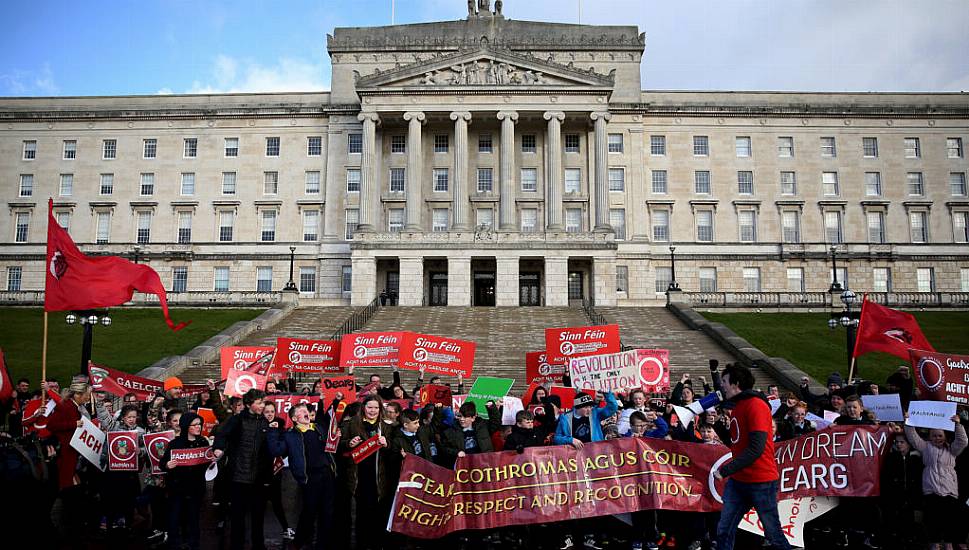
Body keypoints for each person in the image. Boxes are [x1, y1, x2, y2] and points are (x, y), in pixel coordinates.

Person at [714, 363, 791, 550]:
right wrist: (717, 424)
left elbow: (756, 449)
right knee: (724, 530)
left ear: (736, 383)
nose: (721, 385)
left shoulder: (756, 405)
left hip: (761, 481)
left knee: (773, 533)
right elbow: (736, 443)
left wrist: (726, 470)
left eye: (724, 381)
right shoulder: (739, 406)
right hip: (739, 481)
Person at [554, 390, 618, 550]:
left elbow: (612, 407)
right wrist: (570, 439)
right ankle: (570, 536)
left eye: (590, 406)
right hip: (573, 465)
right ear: (578, 407)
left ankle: (590, 536)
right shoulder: (565, 418)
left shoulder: (595, 414)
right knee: (574, 498)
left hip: (594, 463)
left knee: (593, 499)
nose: (590, 409)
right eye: (587, 407)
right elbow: (556, 438)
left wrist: (608, 393)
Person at [267, 402, 336, 549]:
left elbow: (330, 426)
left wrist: (332, 402)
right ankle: (299, 542)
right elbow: (276, 451)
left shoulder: (318, 428)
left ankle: (323, 544)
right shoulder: (290, 435)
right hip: (309, 476)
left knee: (327, 511)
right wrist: (272, 432)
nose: (306, 413)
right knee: (309, 510)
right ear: (294, 418)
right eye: (302, 411)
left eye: (307, 411)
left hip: (326, 473)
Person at [213, 389, 271, 550]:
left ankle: (258, 545)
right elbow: (221, 434)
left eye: (263, 402)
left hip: (257, 477)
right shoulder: (236, 420)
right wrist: (218, 448)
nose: (262, 406)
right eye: (259, 403)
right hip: (238, 476)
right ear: (248, 404)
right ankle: (237, 545)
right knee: (238, 516)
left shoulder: (264, 422)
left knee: (258, 515)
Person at [902, 413, 968, 550]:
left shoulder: (952, 449)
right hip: (931, 490)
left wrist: (958, 425)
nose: (937, 438)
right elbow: (913, 437)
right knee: (933, 521)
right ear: (929, 436)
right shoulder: (925, 447)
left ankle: (948, 545)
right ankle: (934, 544)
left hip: (949, 491)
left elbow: (963, 441)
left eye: (940, 436)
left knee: (949, 521)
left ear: (945, 436)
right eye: (934, 435)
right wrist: (908, 421)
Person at [341, 394, 390, 550]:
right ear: (364, 408)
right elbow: (338, 445)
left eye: (376, 407)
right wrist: (349, 443)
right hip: (359, 474)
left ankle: (377, 543)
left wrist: (386, 445)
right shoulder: (351, 423)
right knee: (362, 512)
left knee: (378, 512)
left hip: (379, 476)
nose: (373, 411)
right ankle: (362, 543)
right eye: (370, 407)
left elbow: (394, 451)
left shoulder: (387, 426)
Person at [161, 412, 209, 550]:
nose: (198, 427)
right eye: (195, 425)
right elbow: (162, 462)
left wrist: (212, 460)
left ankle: (193, 544)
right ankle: (174, 544)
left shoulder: (203, 442)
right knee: (174, 519)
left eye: (199, 424)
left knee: (193, 520)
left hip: (196, 489)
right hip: (177, 489)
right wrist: (167, 465)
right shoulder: (175, 443)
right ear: (186, 426)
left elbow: (206, 463)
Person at [261, 402, 292, 541]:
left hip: (274, 471)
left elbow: (283, 447)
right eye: (266, 411)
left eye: (272, 411)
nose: (269, 414)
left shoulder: (280, 427)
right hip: (259, 471)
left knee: (277, 502)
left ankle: (286, 528)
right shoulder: (258, 426)